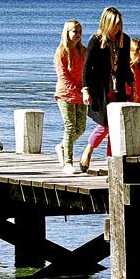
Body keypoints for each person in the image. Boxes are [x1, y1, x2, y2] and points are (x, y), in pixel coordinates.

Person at [79, 6, 134, 172]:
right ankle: (89, 149)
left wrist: (132, 85)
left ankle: (111, 161)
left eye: (119, 24)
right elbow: (87, 68)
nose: (117, 28)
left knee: (116, 126)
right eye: (114, 24)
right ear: (106, 23)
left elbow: (125, 66)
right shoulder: (96, 40)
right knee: (105, 124)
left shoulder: (125, 40)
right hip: (101, 89)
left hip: (119, 88)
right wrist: (86, 90)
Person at [53, 20, 87, 175]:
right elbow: (63, 77)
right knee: (70, 127)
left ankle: (62, 147)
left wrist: (86, 90)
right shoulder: (61, 52)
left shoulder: (84, 51)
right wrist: (77, 91)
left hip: (81, 94)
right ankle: (67, 163)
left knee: (81, 128)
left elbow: (87, 72)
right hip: (65, 94)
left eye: (80, 31)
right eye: (74, 31)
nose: (78, 34)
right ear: (67, 32)